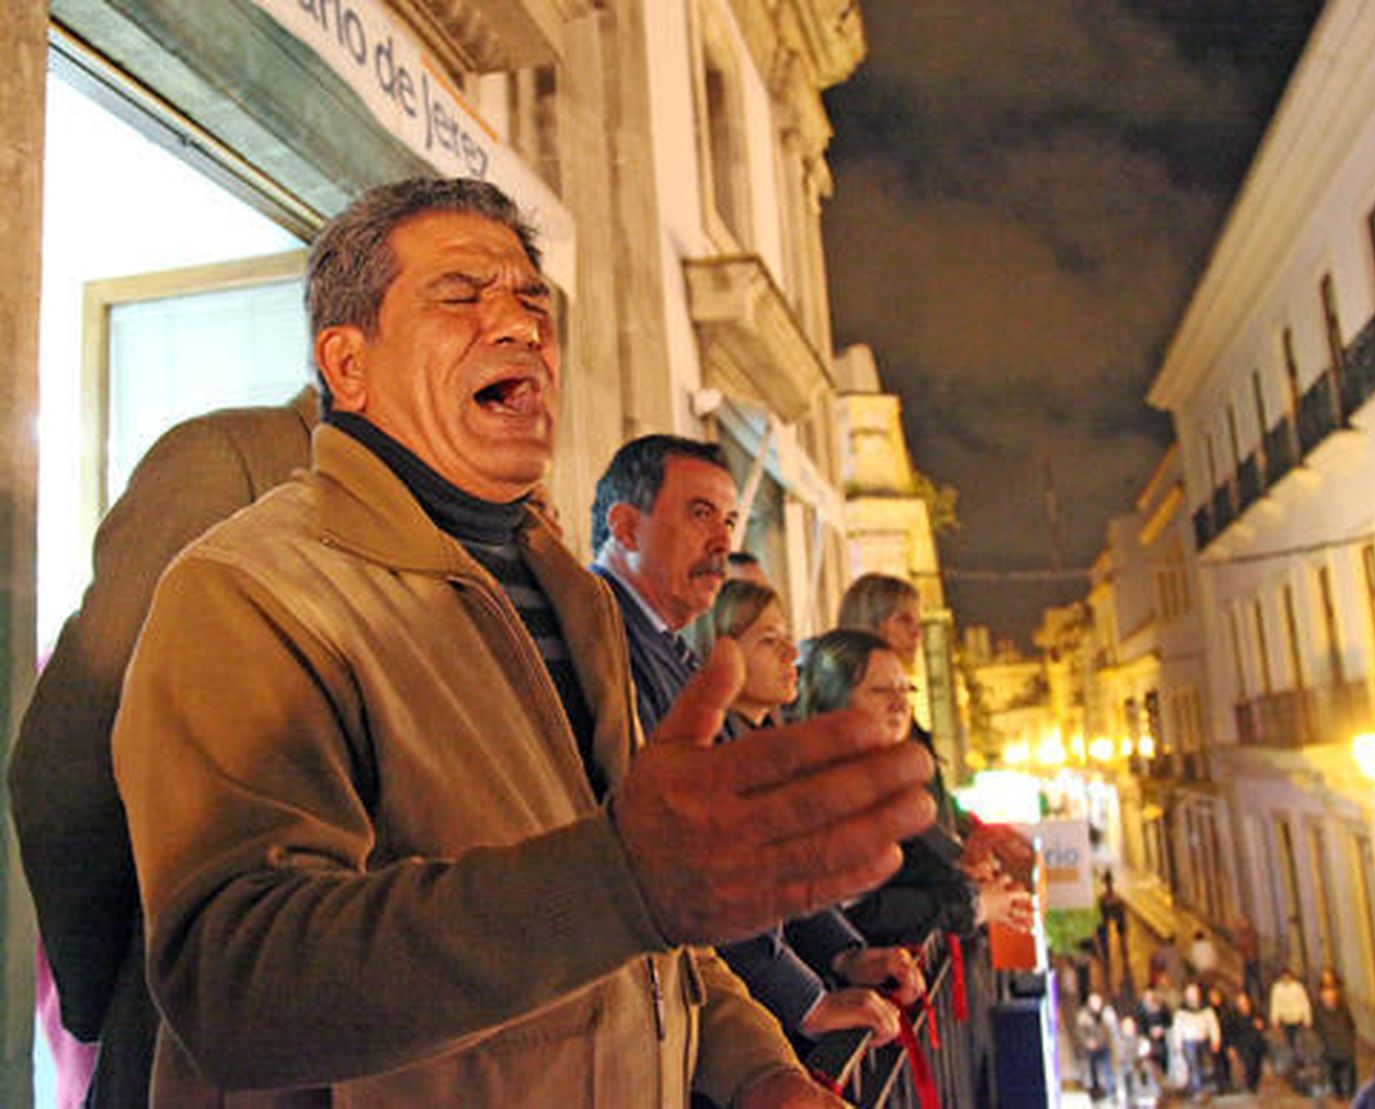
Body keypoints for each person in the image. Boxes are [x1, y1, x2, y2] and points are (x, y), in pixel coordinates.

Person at [110, 177, 936, 1106]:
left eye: (533, 303)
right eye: (461, 296)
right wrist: (621, 878)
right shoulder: (252, 590)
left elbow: (655, 930)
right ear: (348, 364)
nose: (521, 329)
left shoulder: (574, 598)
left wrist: (759, 1071)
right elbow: (237, 985)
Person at [7, 384, 319, 1105]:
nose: (514, 331)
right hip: (226, 1048)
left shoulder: (500, 526)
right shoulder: (229, 466)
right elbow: (65, 777)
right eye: (462, 289)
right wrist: (109, 995)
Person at [590, 438, 920, 1050]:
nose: (723, 541)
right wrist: (808, 1001)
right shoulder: (606, 642)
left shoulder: (663, 645)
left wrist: (841, 957)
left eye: (730, 519)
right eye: (699, 514)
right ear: (625, 526)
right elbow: (699, 859)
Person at [709, 578, 925, 1044]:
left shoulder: (764, 744)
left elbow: (798, 892)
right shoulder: (720, 760)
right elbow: (744, 909)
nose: (790, 653)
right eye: (768, 641)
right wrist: (809, 1001)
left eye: (904, 691)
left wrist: (847, 955)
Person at [796, 629, 1033, 945]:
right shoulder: (832, 791)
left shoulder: (889, 780)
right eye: (880, 691)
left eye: (905, 689)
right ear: (833, 699)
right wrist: (972, 904)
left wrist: (964, 871)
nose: (898, 704)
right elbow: (860, 909)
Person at [1171, 982, 1221, 1098]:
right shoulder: (1181, 1012)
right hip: (1189, 1042)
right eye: (1190, 993)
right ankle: (1198, 1090)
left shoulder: (1206, 1009)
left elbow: (1213, 1025)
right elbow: (1177, 1029)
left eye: (1195, 993)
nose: (1193, 995)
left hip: (1203, 1040)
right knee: (1194, 1066)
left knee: (1206, 1064)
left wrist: (1215, 1039)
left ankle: (1207, 1087)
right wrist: (1177, 1044)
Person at [1316, 981, 1359, 1097]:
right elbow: (1317, 1028)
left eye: (1331, 995)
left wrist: (1350, 1037)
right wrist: (1323, 1041)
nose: (1329, 998)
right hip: (1330, 1043)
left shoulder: (1343, 1008)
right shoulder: (1319, 1011)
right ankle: (1338, 1091)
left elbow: (1351, 1023)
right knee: (1334, 1069)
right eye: (1326, 995)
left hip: (1345, 1041)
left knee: (1351, 1067)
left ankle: (1352, 1091)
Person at [1222, 990, 1268, 1094]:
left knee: (1257, 1065)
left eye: (1245, 1002)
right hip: (1242, 1044)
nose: (1243, 1005)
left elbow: (1264, 1022)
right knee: (1249, 1063)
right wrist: (1230, 1047)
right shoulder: (1232, 1016)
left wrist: (1261, 1025)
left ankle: (1254, 1083)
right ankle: (1249, 1084)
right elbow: (1228, 1032)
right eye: (1241, 1003)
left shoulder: (1255, 1012)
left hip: (1257, 1043)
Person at [1074, 992, 1117, 1100]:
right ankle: (1095, 1090)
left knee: (1108, 1068)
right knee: (1093, 1069)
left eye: (1098, 1002)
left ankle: (1111, 1091)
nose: (1096, 1005)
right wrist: (1087, 1042)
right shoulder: (1083, 1015)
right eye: (1094, 1002)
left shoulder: (1106, 1013)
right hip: (1091, 1046)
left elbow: (1111, 1028)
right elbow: (1079, 1032)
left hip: (1103, 1044)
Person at [1269, 965, 1314, 1054]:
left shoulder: (1298, 987)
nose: (1286, 979)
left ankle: (1301, 1056)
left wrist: (1307, 1018)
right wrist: (1274, 1020)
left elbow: (1305, 1003)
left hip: (1298, 1019)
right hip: (1285, 1020)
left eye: (1288, 977)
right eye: (1284, 977)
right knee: (1289, 1041)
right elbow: (1275, 1005)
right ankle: (1293, 1057)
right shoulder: (1277, 989)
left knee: (1301, 1041)